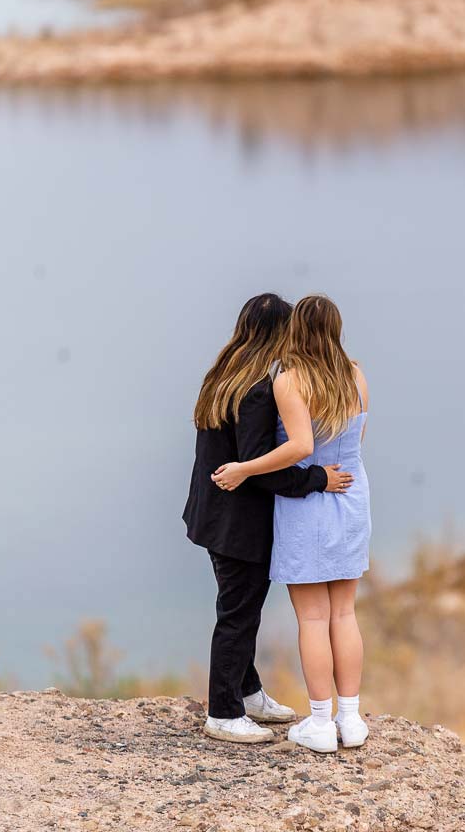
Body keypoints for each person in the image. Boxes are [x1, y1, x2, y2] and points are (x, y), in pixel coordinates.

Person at [183, 293, 353, 744]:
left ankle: (247, 689)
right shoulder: (258, 390)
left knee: (243, 606)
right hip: (239, 522)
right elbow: (261, 470)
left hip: (212, 515)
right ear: (281, 333)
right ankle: (223, 711)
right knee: (238, 613)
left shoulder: (223, 375)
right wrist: (317, 478)